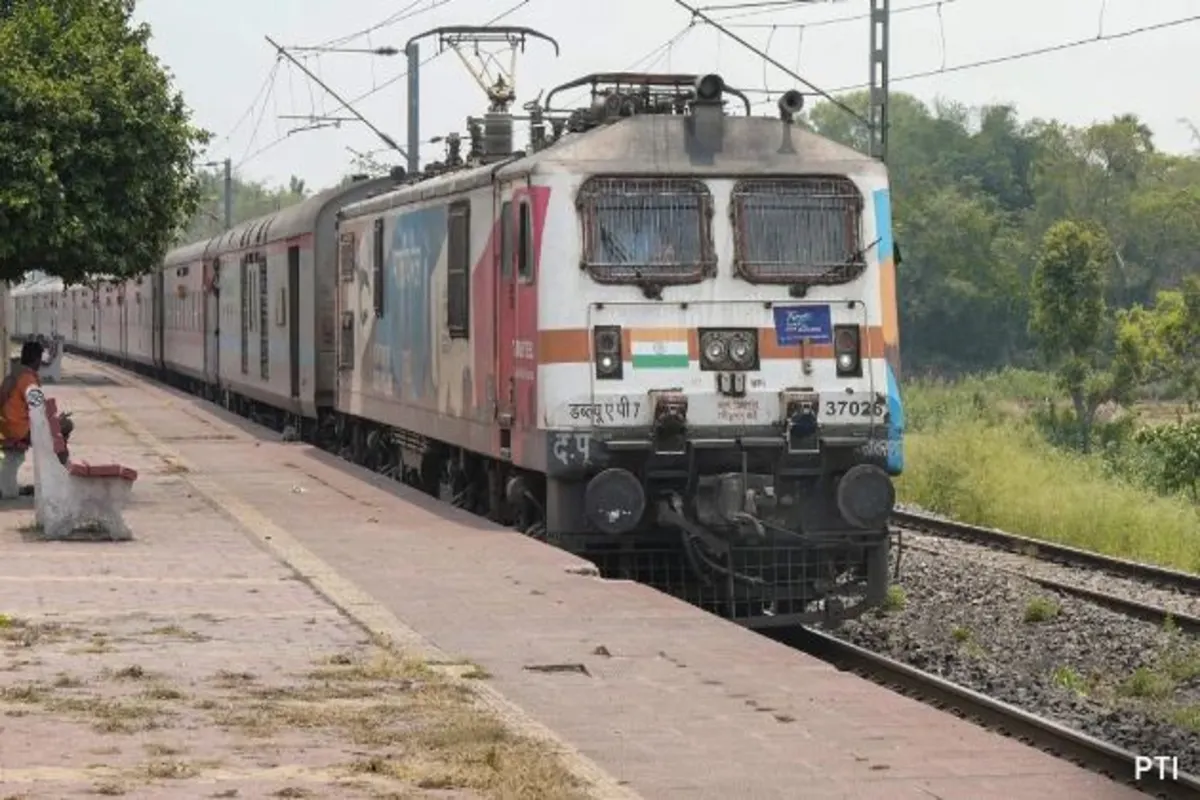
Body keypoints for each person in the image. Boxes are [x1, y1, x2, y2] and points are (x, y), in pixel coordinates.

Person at [0, 341, 46, 499]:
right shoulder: (28, 379)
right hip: (18, 429)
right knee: (61, 430)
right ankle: (8, 490)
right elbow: (38, 406)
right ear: (36, 360)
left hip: (6, 425)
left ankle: (7, 487)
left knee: (11, 461)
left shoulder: (15, 373)